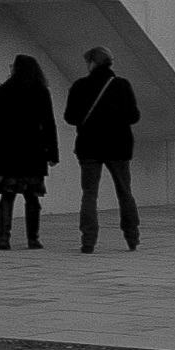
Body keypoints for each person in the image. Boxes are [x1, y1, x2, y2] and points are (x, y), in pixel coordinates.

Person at [63, 45, 141, 252]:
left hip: (89, 147)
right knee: (124, 191)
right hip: (119, 146)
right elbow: (134, 116)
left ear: (93, 63)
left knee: (89, 193)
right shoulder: (122, 85)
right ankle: (132, 237)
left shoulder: (80, 86)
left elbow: (70, 117)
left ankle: (88, 241)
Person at [0, 53, 57, 251]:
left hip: (6, 150)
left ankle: (4, 238)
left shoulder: (2, 91)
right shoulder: (40, 92)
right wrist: (52, 152)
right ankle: (33, 239)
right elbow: (49, 124)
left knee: (6, 196)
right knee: (32, 197)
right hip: (33, 151)